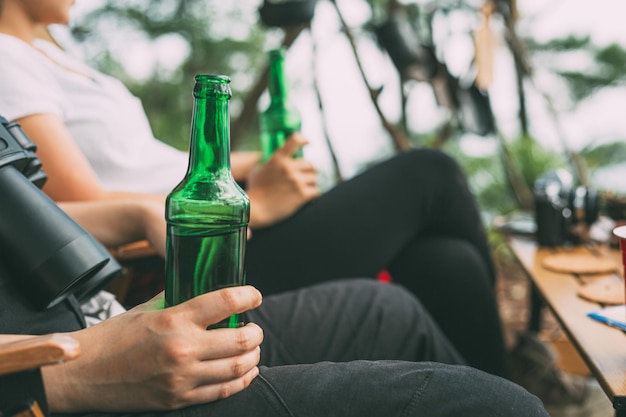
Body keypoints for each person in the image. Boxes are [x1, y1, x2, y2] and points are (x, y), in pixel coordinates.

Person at [0, 0, 510, 379]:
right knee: (429, 173)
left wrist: (260, 163)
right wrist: (259, 203)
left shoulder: (52, 55)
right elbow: (65, 209)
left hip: (212, 217)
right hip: (187, 256)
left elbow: (162, 164)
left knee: (445, 261)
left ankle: (504, 392)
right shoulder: (6, 58)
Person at [0, 199, 550, 417]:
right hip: (45, 379)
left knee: (397, 301)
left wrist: (134, 212)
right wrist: (65, 375)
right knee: (494, 407)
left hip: (93, 316)